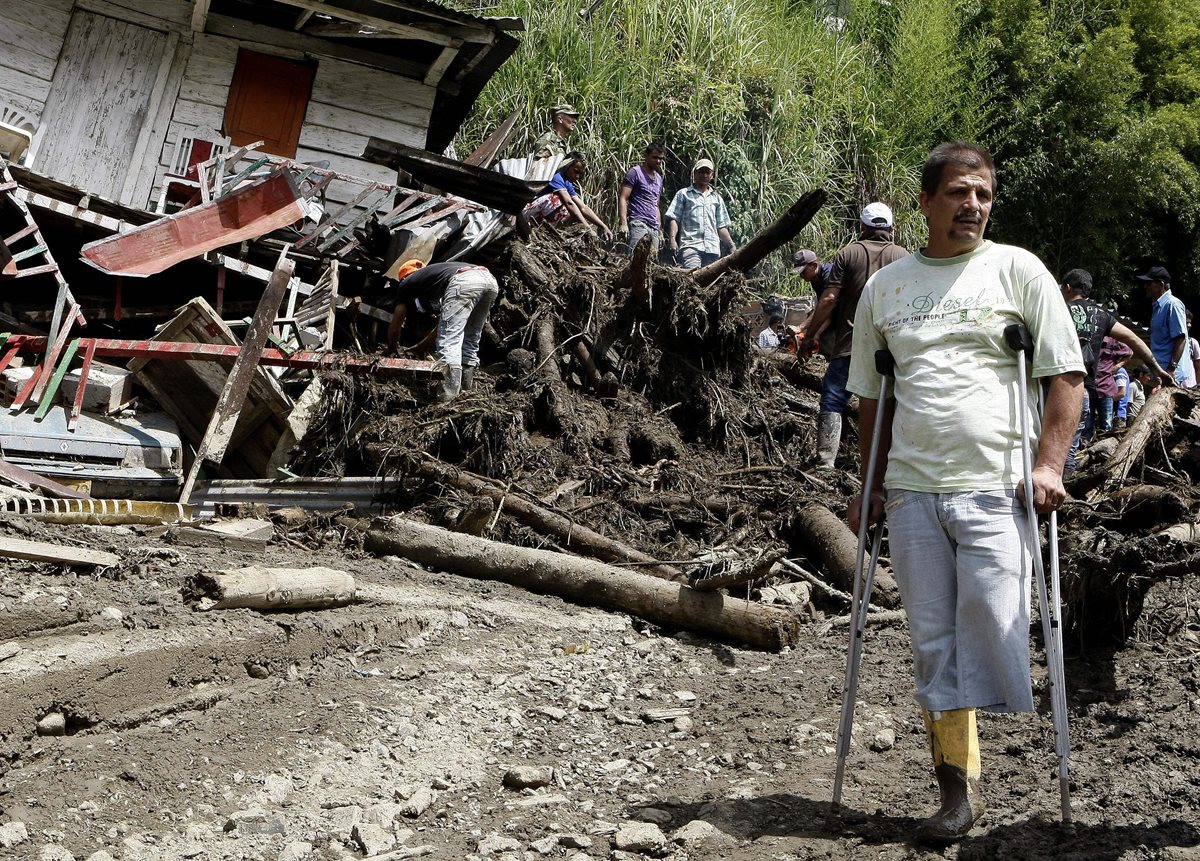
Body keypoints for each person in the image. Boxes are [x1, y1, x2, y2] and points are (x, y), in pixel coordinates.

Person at [846, 142, 1084, 842]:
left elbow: (1064, 373)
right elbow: (869, 399)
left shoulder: (1019, 271)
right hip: (915, 490)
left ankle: (994, 734)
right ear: (925, 202)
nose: (972, 205)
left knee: (993, 617)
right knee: (932, 642)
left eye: (981, 193)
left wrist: (1049, 465)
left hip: (996, 487)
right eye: (957, 192)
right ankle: (960, 791)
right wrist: (870, 485)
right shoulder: (886, 290)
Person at [796, 202, 908, 467]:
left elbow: (829, 299)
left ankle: (825, 463)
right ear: (890, 228)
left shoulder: (848, 254)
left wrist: (809, 336)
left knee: (833, 399)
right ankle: (894, 464)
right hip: (893, 348)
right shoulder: (903, 257)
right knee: (894, 402)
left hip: (852, 344)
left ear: (862, 227)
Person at [1059, 268, 1172, 474]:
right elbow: (1134, 340)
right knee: (1070, 450)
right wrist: (1158, 370)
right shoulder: (1102, 315)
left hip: (1055, 390)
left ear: (1066, 288)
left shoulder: (1058, 310)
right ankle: (1062, 493)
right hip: (1081, 391)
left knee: (1046, 447)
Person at [387, 260, 499, 402]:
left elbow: (396, 324)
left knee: (449, 341)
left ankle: (448, 398)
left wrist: (392, 347)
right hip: (488, 280)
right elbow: (442, 323)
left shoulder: (406, 284)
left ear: (403, 277)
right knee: (470, 339)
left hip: (464, 281)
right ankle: (466, 393)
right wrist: (422, 346)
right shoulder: (437, 276)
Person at [521, 154, 613, 240]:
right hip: (524, 212)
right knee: (557, 200)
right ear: (567, 165)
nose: (577, 176)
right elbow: (569, 203)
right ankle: (543, 230)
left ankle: (548, 232)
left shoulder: (567, 183)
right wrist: (588, 229)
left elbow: (583, 207)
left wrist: (603, 226)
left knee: (575, 212)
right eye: (576, 171)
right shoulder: (556, 176)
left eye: (580, 173)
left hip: (536, 212)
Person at [664, 158, 736, 268]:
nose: (704, 175)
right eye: (701, 172)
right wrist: (672, 239)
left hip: (712, 249)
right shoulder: (684, 194)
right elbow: (675, 218)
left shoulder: (716, 198)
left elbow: (721, 226)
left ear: (712, 175)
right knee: (693, 278)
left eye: (707, 172)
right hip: (691, 246)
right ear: (695, 173)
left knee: (711, 283)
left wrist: (731, 245)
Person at [1138, 265, 1193, 387]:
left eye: (1149, 283)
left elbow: (1181, 338)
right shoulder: (1158, 306)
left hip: (1173, 377)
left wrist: (1171, 369)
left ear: (1161, 284)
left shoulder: (1173, 305)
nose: (1145, 286)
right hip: (1162, 374)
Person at [617, 143, 665, 257]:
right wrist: (623, 223)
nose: (658, 161)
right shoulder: (635, 172)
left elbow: (656, 205)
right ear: (646, 156)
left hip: (654, 227)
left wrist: (660, 230)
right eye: (655, 157)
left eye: (661, 158)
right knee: (636, 259)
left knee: (651, 263)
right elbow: (623, 197)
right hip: (639, 222)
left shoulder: (658, 178)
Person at [1113, 365, 1130, 430]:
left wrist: (1107, 401)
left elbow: (1121, 393)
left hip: (1118, 414)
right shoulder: (1119, 371)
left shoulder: (1120, 371)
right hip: (1120, 413)